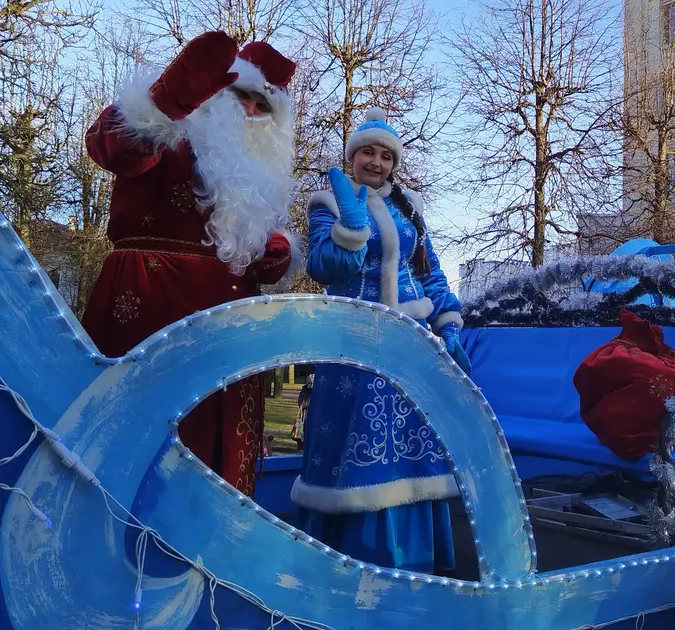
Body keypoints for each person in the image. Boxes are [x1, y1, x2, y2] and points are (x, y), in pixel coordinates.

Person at [81, 30, 299, 497]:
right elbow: (107, 146)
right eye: (241, 97)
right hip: (152, 305)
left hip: (230, 333)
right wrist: (164, 102)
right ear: (217, 91)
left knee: (219, 469)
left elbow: (260, 254)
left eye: (264, 106)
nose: (251, 111)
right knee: (138, 457)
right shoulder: (173, 130)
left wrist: (276, 252)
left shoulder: (261, 177)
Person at [291, 107, 471, 573]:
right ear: (352, 157)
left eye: (386, 156)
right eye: (367, 152)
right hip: (353, 343)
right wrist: (351, 231)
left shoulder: (410, 208)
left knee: (413, 454)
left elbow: (429, 272)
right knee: (354, 447)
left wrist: (449, 323)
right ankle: (351, 560)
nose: (376, 162)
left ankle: (414, 561)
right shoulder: (326, 203)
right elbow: (322, 267)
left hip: (410, 342)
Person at [291, 374, 315, 450]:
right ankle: (302, 446)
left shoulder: (316, 391)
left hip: (313, 415)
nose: (311, 384)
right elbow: (301, 403)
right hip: (305, 415)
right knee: (303, 431)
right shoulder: (304, 391)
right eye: (310, 383)